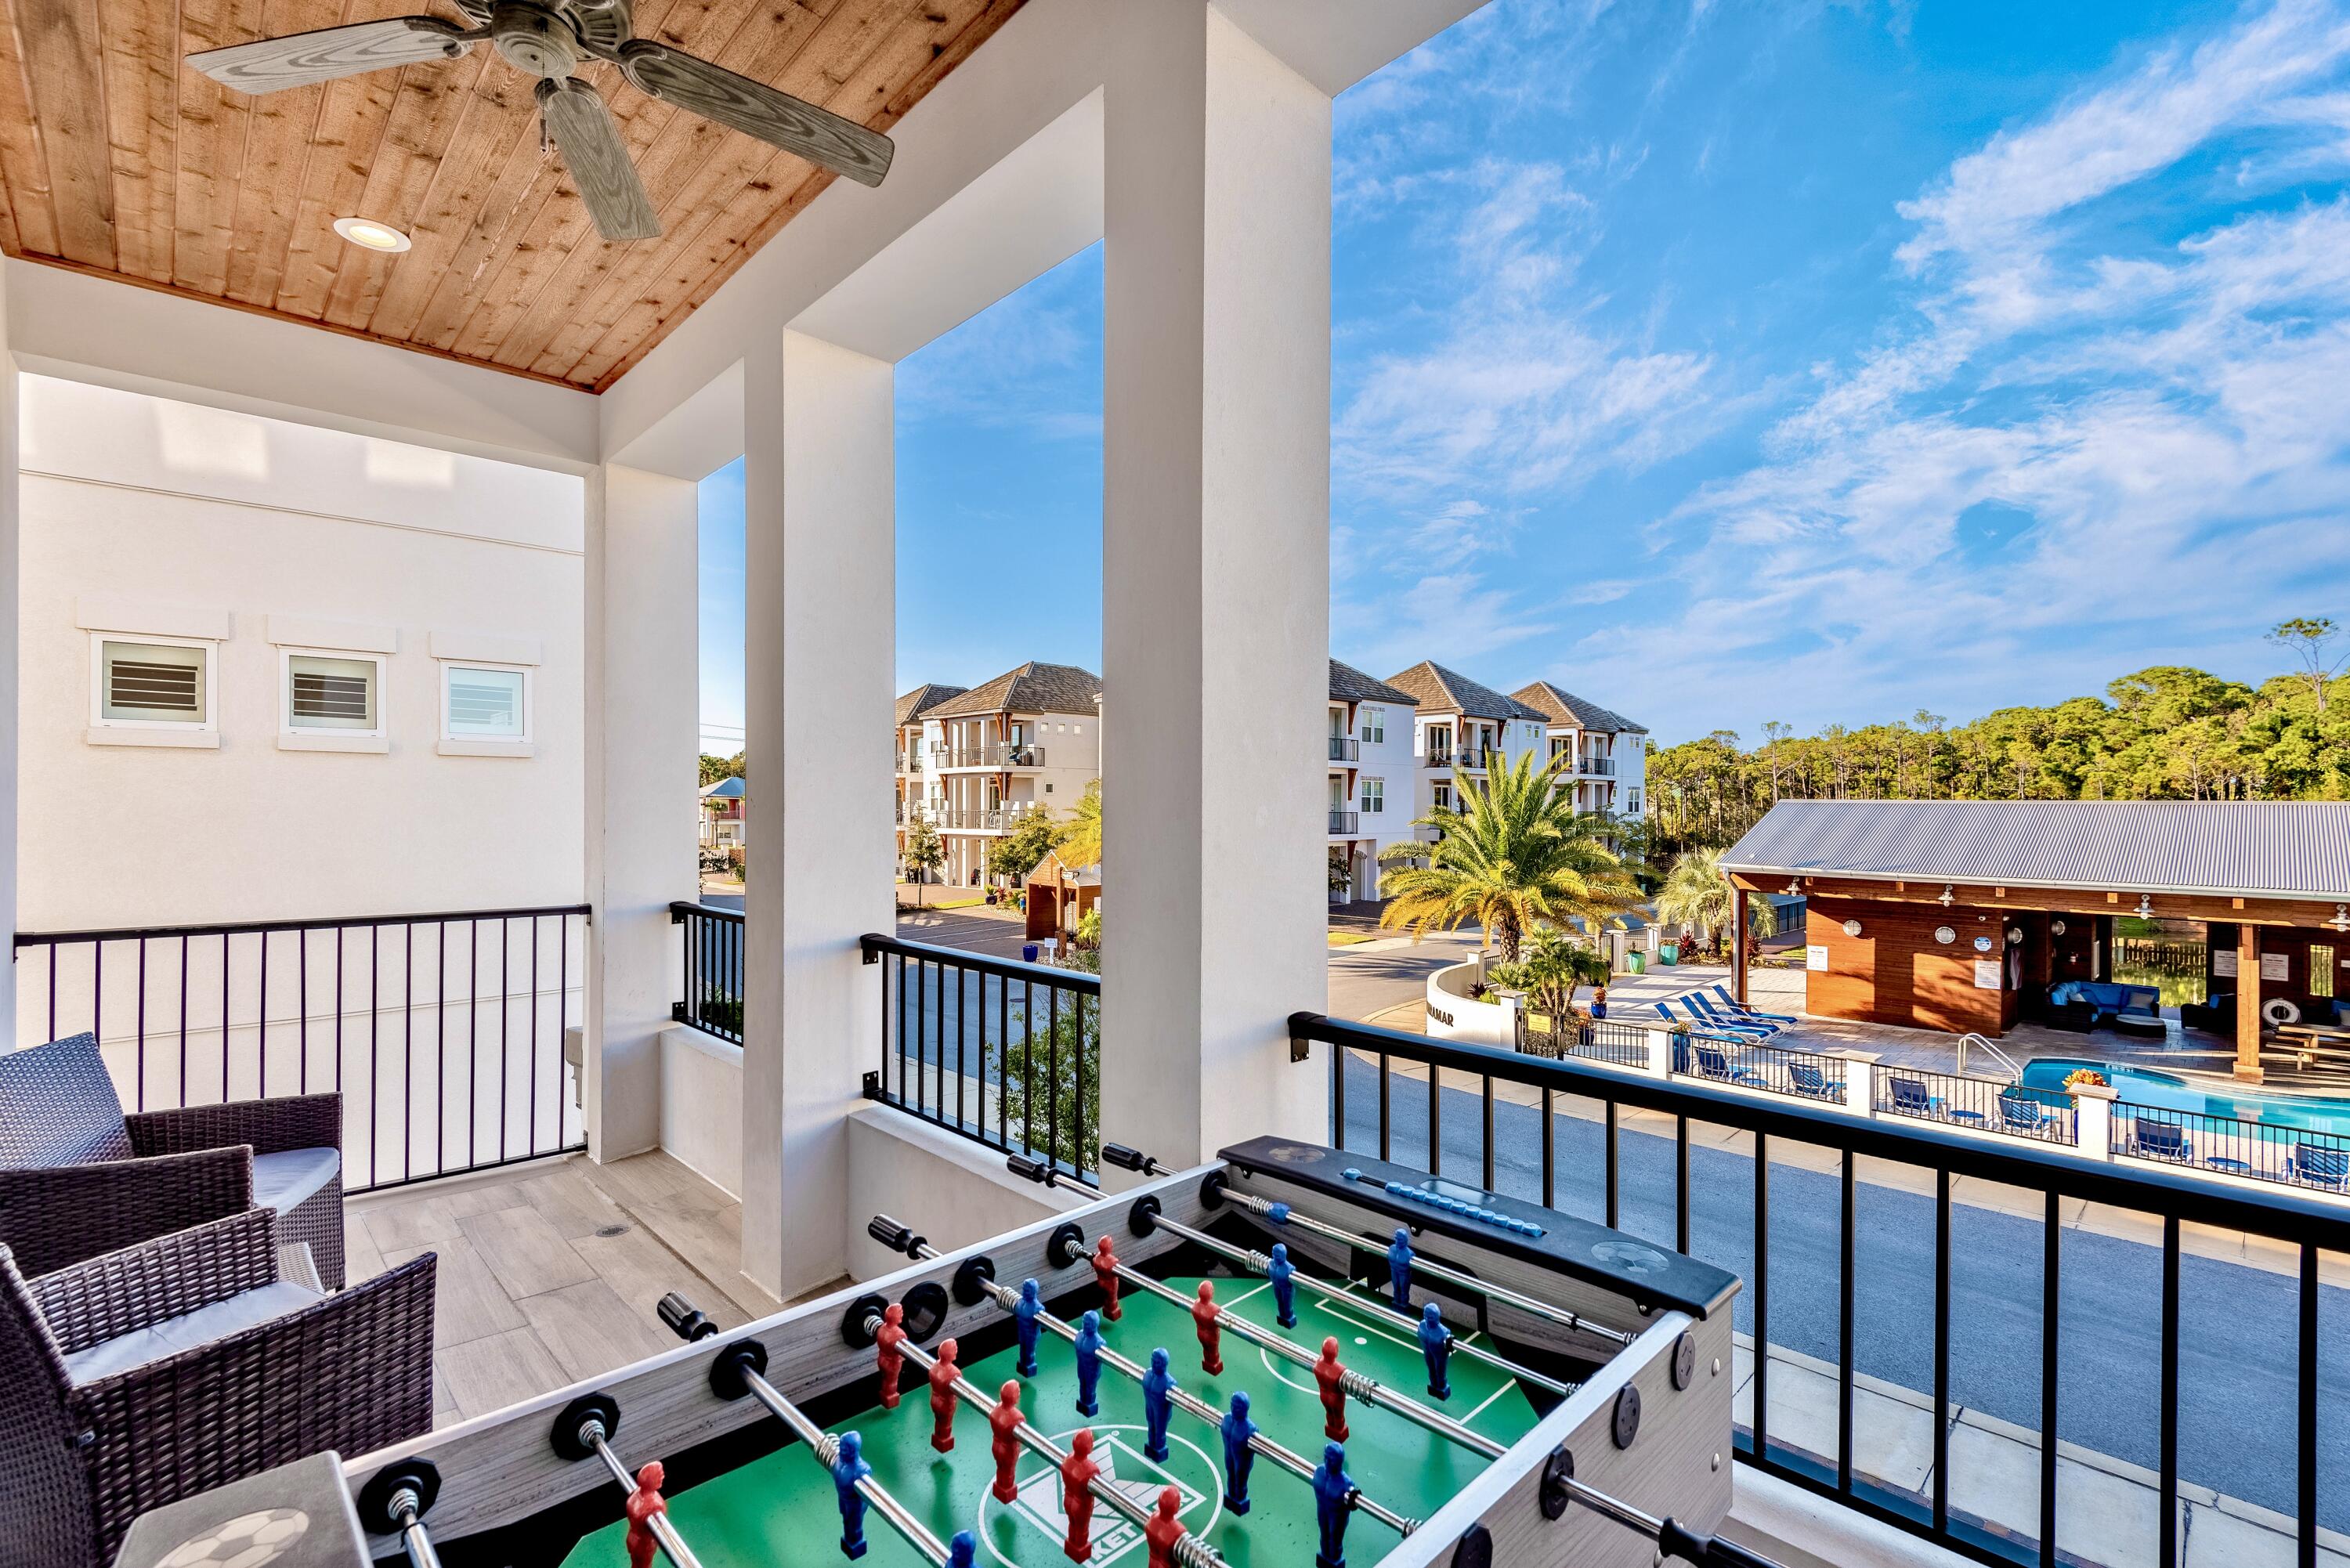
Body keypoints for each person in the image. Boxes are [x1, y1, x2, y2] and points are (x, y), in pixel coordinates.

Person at [1311, 1442, 1356, 1568]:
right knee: (1324, 1537)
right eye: (1326, 1457)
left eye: (1332, 1460)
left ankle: (1335, 1562)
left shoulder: (1346, 1484)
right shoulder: (1319, 1472)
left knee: (1334, 1541)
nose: (1327, 1462)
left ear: (1339, 1462)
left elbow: (1352, 1499)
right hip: (1322, 1510)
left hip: (1337, 1516)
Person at [1060, 1428, 1102, 1562]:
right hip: (1081, 1504)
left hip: (1068, 1499)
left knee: (1072, 1524)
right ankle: (1079, 1549)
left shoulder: (1067, 1461)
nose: (1092, 1444)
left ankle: (1071, 1545)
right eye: (1091, 1441)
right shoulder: (1091, 1469)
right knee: (1081, 1530)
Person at [827, 1435, 872, 1560]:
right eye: (842, 1446)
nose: (843, 1449)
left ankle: (855, 1542)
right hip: (842, 1499)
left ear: (854, 1450)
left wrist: (861, 1508)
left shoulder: (863, 1470)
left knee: (854, 1524)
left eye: (846, 1447)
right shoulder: (839, 1462)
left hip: (854, 1505)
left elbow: (867, 1495)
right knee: (845, 1519)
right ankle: (850, 1541)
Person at [1218, 1390, 1258, 1514]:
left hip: (1242, 1461)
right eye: (1232, 1404)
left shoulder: (1250, 1429)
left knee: (1240, 1481)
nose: (1234, 1408)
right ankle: (1231, 1497)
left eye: (1238, 1407)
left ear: (1245, 1408)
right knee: (1230, 1474)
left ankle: (1240, 1500)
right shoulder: (1227, 1419)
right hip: (1229, 1456)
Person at [624, 1461, 667, 1568]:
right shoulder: (654, 1505)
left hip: (633, 1539)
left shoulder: (635, 1495)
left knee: (636, 1564)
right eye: (660, 1475)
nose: (663, 1477)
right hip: (645, 1545)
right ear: (651, 1480)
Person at [988, 1381, 1025, 1503]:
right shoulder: (1017, 1417)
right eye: (1017, 1392)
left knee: (1000, 1467)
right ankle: (1006, 1490)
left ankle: (1000, 1487)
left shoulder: (996, 1410)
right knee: (1008, 1471)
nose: (1019, 1394)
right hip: (1008, 1450)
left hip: (996, 1445)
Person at [1141, 1346, 1178, 1462]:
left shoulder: (1169, 1382)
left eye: (1157, 1362)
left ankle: (1159, 1450)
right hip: (1150, 1407)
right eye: (1153, 1360)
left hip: (1161, 1412)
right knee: (1151, 1426)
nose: (1154, 1364)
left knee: (1159, 1431)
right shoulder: (1148, 1374)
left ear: (1164, 1364)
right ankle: (1151, 1446)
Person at [928, 1338, 962, 1453]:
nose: (956, 1351)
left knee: (938, 1421)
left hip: (934, 1400)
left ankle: (938, 1438)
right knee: (946, 1424)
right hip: (946, 1404)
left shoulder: (934, 1367)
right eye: (954, 1349)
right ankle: (943, 1441)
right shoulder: (954, 1372)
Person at [1313, 1336, 1350, 1442]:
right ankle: (1339, 1436)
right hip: (1336, 1397)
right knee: (1339, 1417)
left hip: (1323, 1395)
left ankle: (1330, 1431)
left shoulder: (1318, 1365)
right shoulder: (1340, 1369)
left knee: (1329, 1413)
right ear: (1335, 1352)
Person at [1143, 1485, 1188, 1568]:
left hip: (1152, 1563)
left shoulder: (1153, 1518)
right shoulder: (1178, 1530)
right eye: (1178, 1501)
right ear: (1174, 1506)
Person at [873, 1302, 908, 1409]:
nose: (902, 1315)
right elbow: (905, 1351)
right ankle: (890, 1399)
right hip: (893, 1363)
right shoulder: (899, 1334)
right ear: (894, 1316)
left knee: (885, 1380)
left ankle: (885, 1397)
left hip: (881, 1359)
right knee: (892, 1382)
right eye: (900, 1313)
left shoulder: (882, 1328)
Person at [1418, 1302, 1453, 1400]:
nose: (1428, 1319)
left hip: (1440, 1355)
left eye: (1431, 1317)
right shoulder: (1422, 1326)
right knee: (1431, 1369)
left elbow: (1449, 1342)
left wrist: (1449, 1342)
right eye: (1426, 1316)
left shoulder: (1444, 1332)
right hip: (1427, 1351)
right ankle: (1433, 1385)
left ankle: (1442, 1388)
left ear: (1437, 1317)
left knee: (1440, 1372)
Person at [1073, 1310, 1105, 1417]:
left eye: (1089, 1323)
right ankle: (1083, 1403)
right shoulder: (1079, 1336)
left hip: (1092, 1371)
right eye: (1084, 1321)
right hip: (1081, 1367)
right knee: (1082, 1385)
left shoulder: (1099, 1342)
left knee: (1090, 1389)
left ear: (1095, 1324)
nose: (1086, 1324)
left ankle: (1090, 1405)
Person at [1190, 1280, 1224, 1375]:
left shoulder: (1195, 1305)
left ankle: (1207, 1364)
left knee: (1205, 1349)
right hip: (1211, 1335)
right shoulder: (1215, 1309)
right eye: (1212, 1290)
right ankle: (1214, 1367)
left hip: (1200, 1332)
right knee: (1213, 1351)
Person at [1014, 1278, 1046, 1378]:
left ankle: (1029, 1367)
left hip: (1031, 1336)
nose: (1025, 1292)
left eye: (1027, 1290)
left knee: (1029, 1353)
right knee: (1022, 1351)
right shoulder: (1021, 1303)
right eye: (1024, 1289)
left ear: (1034, 1291)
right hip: (1022, 1333)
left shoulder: (1038, 1308)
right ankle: (1023, 1366)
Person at [1090, 1234, 1123, 1321]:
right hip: (1111, 1283)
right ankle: (1113, 1312)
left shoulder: (1097, 1258)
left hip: (1101, 1281)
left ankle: (1107, 1311)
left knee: (1106, 1298)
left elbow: (1094, 1261)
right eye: (1111, 1243)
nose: (1112, 1244)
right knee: (1112, 1299)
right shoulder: (1112, 1261)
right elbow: (1115, 1264)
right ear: (1108, 1247)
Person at [1267, 1242, 1298, 1328]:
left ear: (1284, 1255)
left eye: (1278, 1254)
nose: (1275, 1256)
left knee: (1287, 1307)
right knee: (1279, 1303)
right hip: (1276, 1287)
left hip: (1287, 1290)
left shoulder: (1290, 1268)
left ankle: (1289, 1320)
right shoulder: (1271, 1264)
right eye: (1274, 1254)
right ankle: (1282, 1319)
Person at [1385, 1227, 1414, 1311]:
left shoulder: (1409, 1254)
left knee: (1403, 1290)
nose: (1397, 1241)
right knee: (1396, 1287)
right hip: (1393, 1271)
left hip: (1404, 1273)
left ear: (1405, 1240)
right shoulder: (1391, 1248)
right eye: (1396, 1238)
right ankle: (1396, 1303)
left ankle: (1404, 1306)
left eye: (1400, 1239)